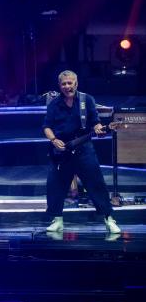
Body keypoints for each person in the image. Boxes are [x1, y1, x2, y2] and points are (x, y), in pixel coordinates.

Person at [43, 70, 121, 234]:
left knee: (96, 184)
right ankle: (57, 220)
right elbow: (46, 126)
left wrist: (99, 129)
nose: (67, 86)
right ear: (59, 86)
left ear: (76, 84)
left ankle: (109, 219)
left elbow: (95, 123)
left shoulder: (87, 100)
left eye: (70, 83)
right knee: (55, 185)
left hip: (84, 148)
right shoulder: (54, 104)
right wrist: (53, 140)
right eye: (63, 84)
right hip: (62, 150)